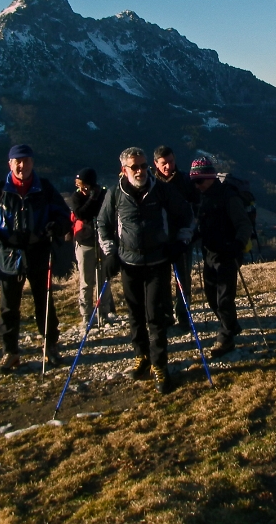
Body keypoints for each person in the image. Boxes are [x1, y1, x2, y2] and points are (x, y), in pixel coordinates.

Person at [98, 147, 193, 393]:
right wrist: (110, 253)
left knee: (156, 315)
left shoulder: (161, 190)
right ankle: (142, 356)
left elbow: (186, 215)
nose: (140, 171)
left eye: (142, 166)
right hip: (128, 263)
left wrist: (180, 242)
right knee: (135, 314)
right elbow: (103, 224)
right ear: (124, 170)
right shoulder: (115, 194)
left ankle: (159, 365)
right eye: (134, 167)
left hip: (157, 262)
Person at [0, 145, 72, 373]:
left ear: (32, 163)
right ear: (10, 164)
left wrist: (57, 226)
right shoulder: (0, 191)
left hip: (38, 251)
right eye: (17, 161)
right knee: (8, 307)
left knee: (44, 303)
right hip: (10, 254)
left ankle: (50, 346)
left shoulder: (44, 189)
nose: (21, 166)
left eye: (26, 161)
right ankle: (11, 352)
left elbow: (63, 214)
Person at [190, 157, 252, 357]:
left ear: (209, 177)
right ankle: (231, 325)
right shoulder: (203, 196)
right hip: (210, 254)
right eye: (194, 182)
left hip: (227, 254)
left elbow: (243, 224)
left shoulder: (228, 197)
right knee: (212, 298)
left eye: (199, 181)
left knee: (224, 299)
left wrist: (238, 245)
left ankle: (225, 339)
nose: (196, 185)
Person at [153, 145, 199, 329]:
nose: (168, 167)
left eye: (171, 162)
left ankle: (184, 314)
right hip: (160, 239)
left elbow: (195, 206)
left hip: (182, 238)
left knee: (184, 278)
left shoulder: (185, 181)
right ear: (156, 164)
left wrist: (191, 231)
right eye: (164, 163)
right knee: (161, 279)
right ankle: (165, 315)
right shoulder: (151, 184)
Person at [70, 168, 110, 331]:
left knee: (104, 278)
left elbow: (106, 213)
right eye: (79, 185)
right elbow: (81, 214)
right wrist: (92, 199)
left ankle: (105, 312)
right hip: (85, 242)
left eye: (85, 185)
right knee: (86, 280)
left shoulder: (104, 195)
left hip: (101, 240)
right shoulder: (76, 197)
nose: (82, 188)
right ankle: (86, 315)